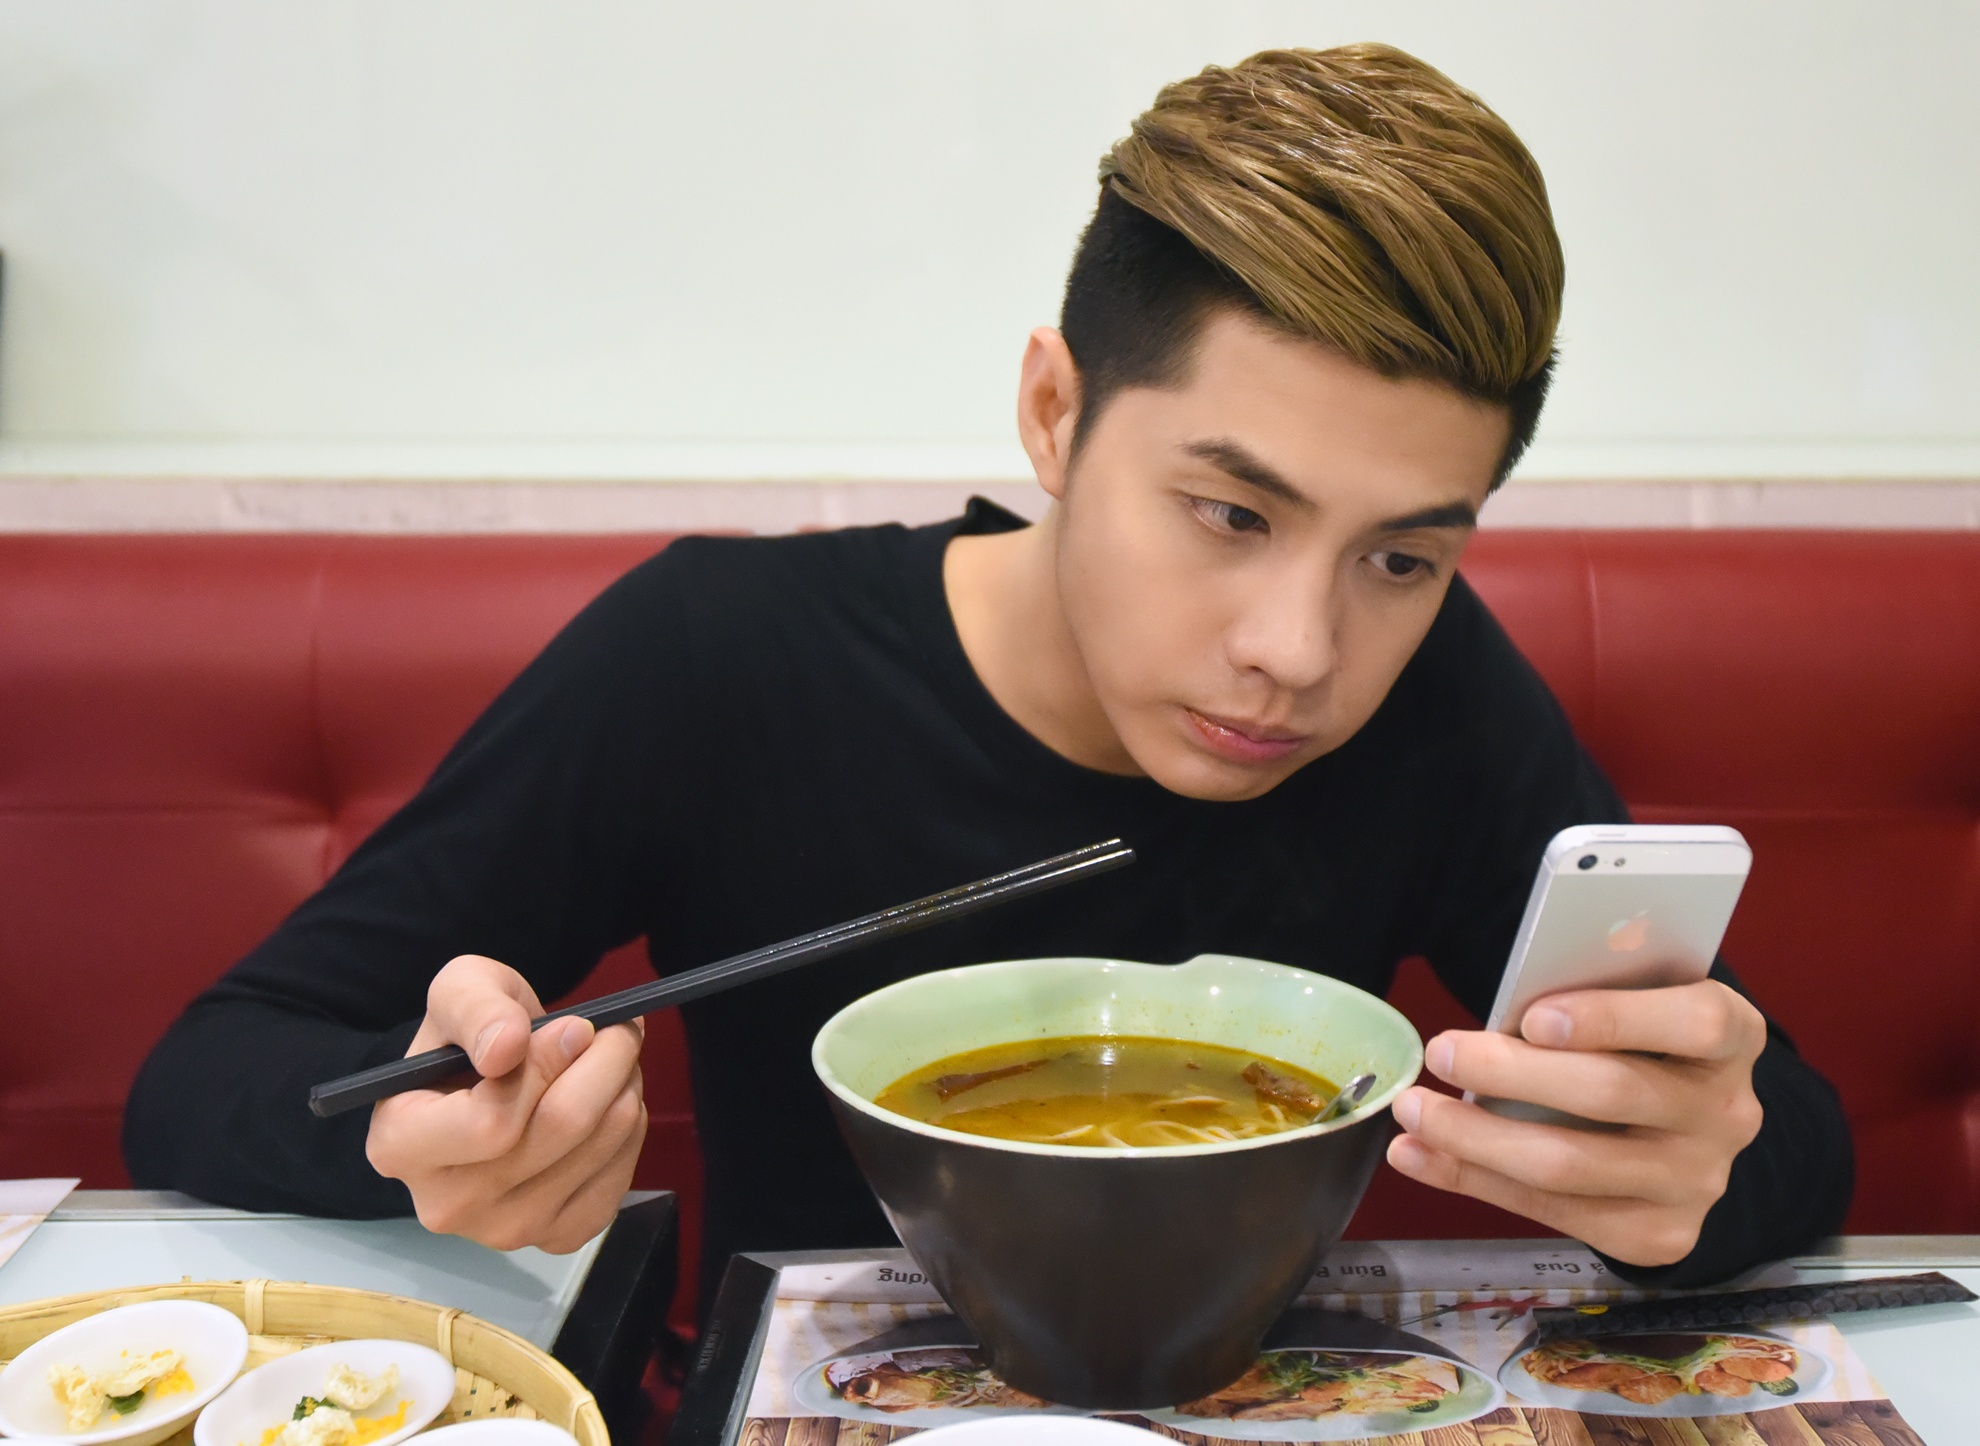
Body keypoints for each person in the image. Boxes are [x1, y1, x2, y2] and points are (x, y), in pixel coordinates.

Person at [125, 44, 1851, 1310]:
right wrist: (418, 1135)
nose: (1302, 650)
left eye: (1402, 554)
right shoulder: (720, 656)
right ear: (1053, 412)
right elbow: (214, 1066)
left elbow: (1789, 1135)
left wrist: (1687, 1167)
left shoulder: (1440, 691)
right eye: (1231, 512)